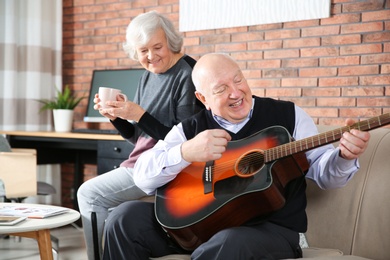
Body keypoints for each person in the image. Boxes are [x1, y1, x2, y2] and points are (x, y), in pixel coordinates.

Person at [102, 53, 371, 260]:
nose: (235, 92)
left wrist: (345, 156)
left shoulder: (288, 116)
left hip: (269, 229)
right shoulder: (190, 129)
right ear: (202, 97)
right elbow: (143, 178)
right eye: (220, 89)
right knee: (124, 217)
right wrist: (185, 152)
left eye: (238, 79)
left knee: (228, 243)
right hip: (197, 227)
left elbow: (324, 175)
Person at [77, 11, 203, 260]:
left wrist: (138, 112)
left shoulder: (187, 74)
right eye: (143, 51)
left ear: (170, 41)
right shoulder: (148, 76)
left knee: (88, 194)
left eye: (157, 47)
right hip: (144, 161)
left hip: (167, 166)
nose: (151, 56)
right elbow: (140, 138)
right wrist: (117, 117)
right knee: (107, 207)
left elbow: (185, 143)